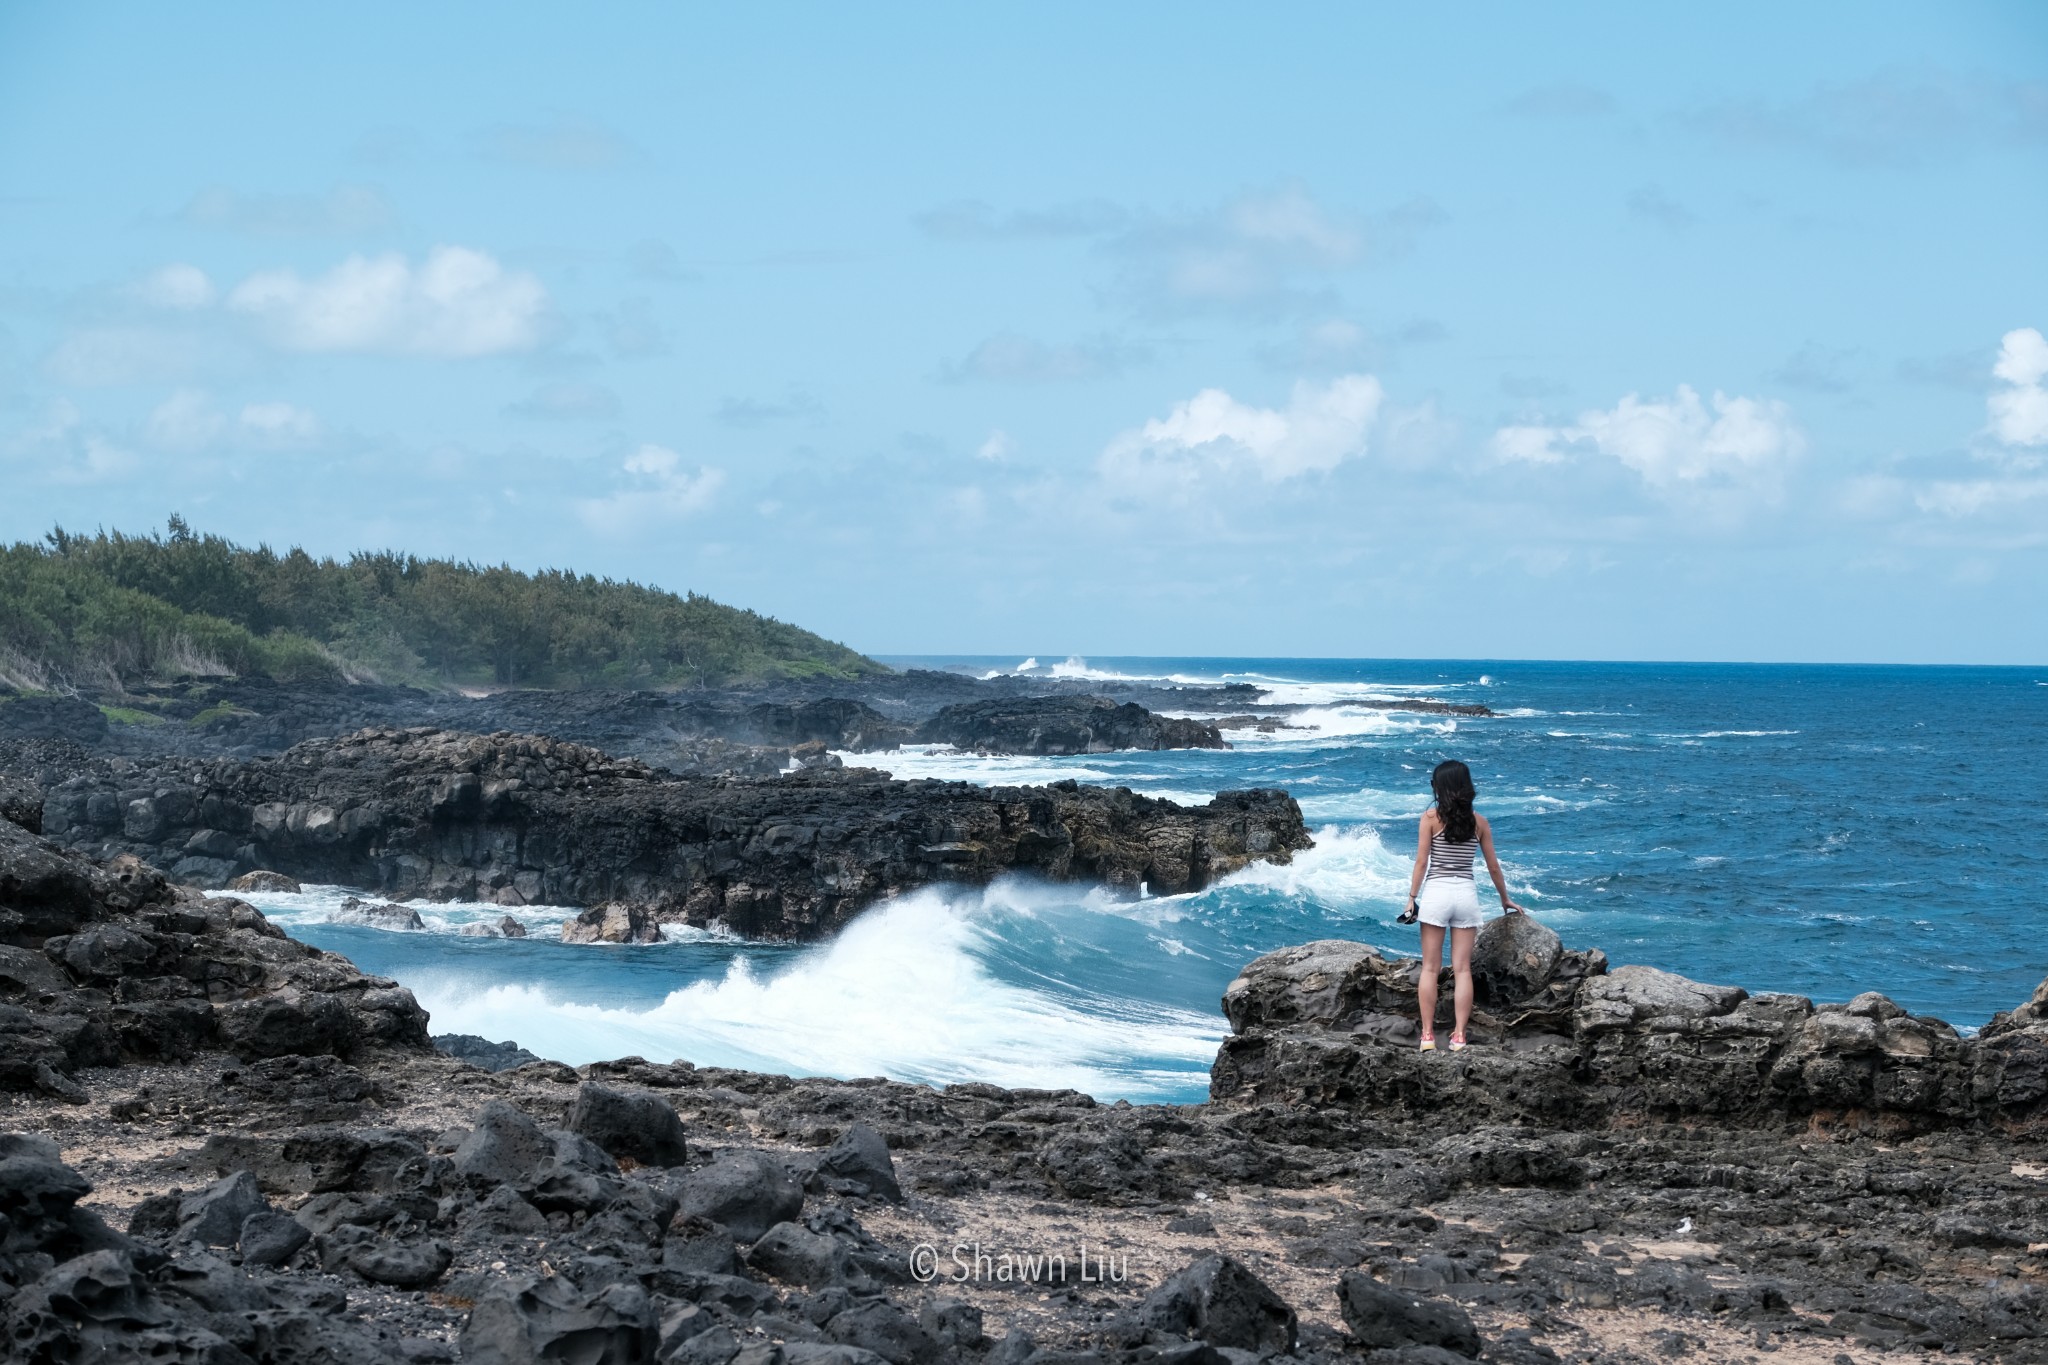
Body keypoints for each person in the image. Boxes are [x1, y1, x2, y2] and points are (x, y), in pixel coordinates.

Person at [1399, 759, 1523, 1052]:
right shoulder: (1479, 822)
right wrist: (1504, 898)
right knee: (1463, 969)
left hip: (1437, 894)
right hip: (1466, 895)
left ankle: (1427, 1036)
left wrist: (1412, 898)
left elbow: (1421, 862)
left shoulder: (1430, 818)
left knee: (1430, 968)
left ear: (1439, 788)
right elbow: (1493, 867)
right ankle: (1459, 1037)